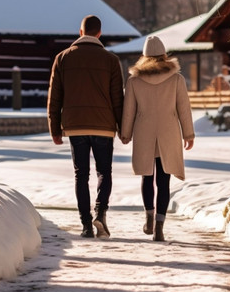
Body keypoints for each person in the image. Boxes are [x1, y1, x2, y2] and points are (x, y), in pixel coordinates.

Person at [47, 15, 124, 239]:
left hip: (75, 126)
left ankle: (86, 225)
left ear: (81, 32)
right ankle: (100, 212)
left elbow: (54, 97)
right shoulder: (111, 60)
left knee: (81, 175)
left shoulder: (62, 58)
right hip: (104, 125)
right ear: (99, 33)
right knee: (104, 172)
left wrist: (54, 128)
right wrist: (123, 129)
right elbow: (117, 98)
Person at [120, 36, 194, 241]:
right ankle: (160, 226)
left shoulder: (134, 81)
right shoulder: (176, 79)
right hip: (168, 131)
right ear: (164, 55)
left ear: (144, 56)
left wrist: (125, 133)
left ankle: (149, 218)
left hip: (144, 131)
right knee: (164, 179)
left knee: (147, 176)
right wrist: (188, 134)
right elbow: (184, 110)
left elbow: (129, 111)